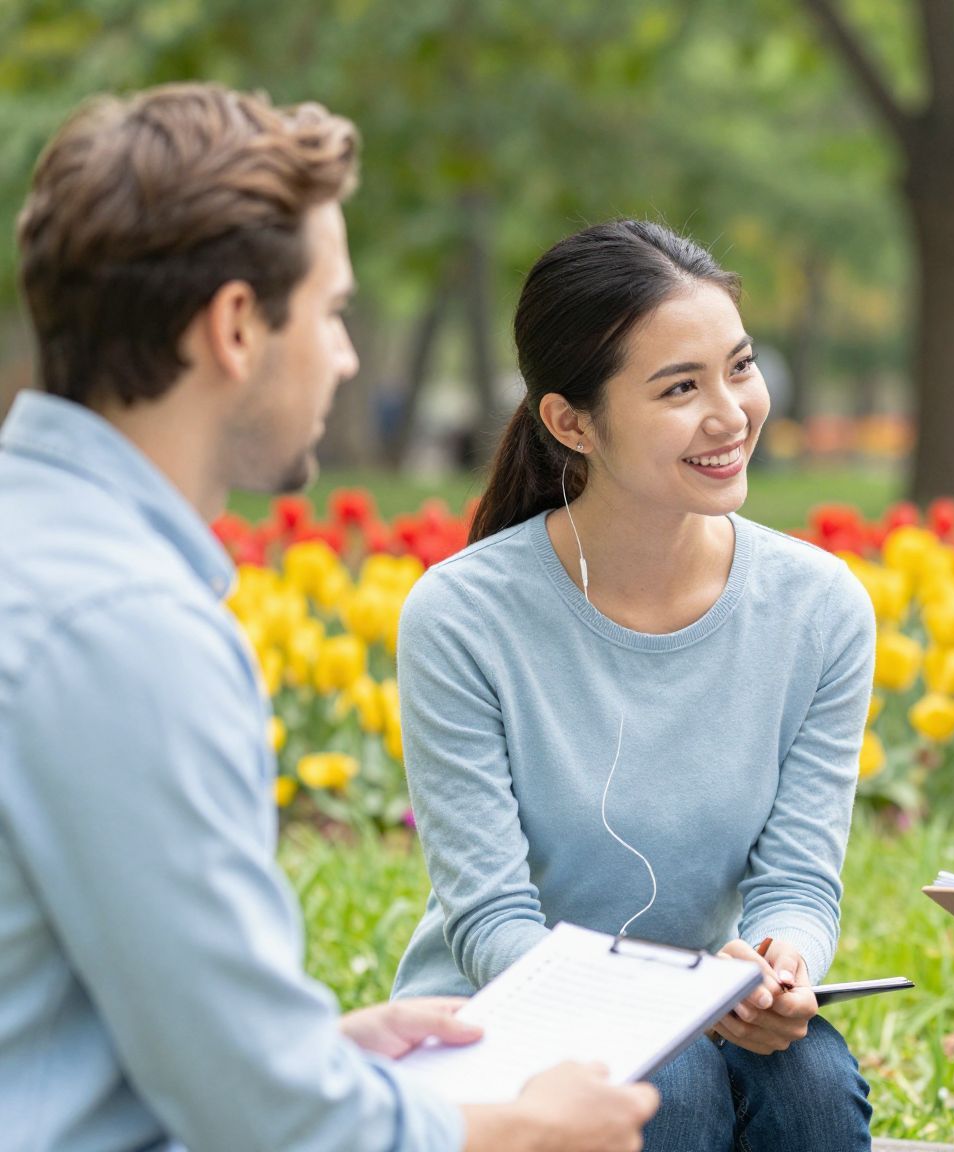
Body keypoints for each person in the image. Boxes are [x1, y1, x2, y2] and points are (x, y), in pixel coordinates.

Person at [0, 83, 655, 1151]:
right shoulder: (124, 631)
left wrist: (317, 1049)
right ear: (235, 327)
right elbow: (264, 1119)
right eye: (334, 312)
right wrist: (518, 1129)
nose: (346, 356)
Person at [389, 219, 876, 1151]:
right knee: (670, 1078)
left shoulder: (818, 608)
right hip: (500, 1023)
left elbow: (799, 879)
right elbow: (489, 921)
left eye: (740, 367)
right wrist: (653, 1012)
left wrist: (785, 963)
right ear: (572, 422)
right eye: (679, 388)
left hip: (710, 1009)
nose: (730, 412)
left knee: (810, 1079)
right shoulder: (463, 617)